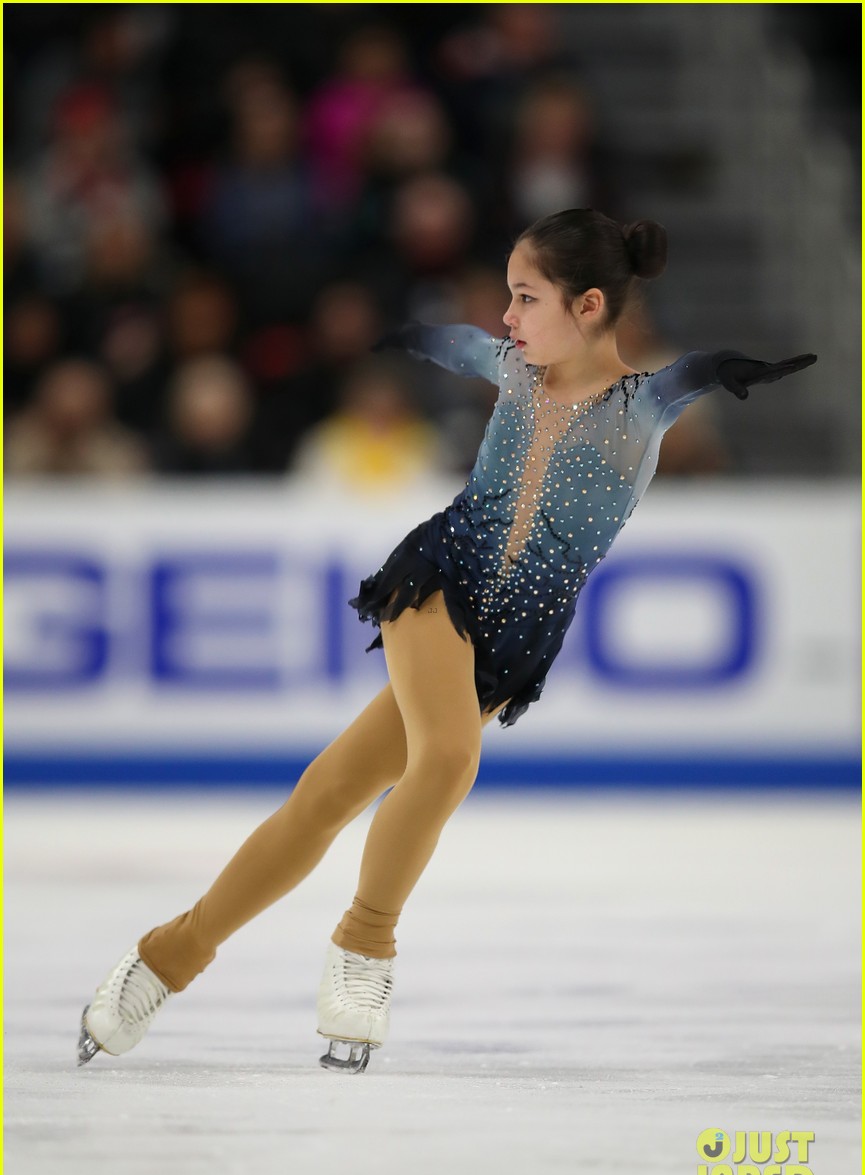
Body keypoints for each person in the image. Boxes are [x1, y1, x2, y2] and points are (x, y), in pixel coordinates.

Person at [77, 207, 816, 1073]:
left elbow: (685, 375)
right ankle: (366, 947)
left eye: (523, 296)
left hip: (512, 642)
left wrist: (725, 368)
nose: (506, 316)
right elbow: (456, 342)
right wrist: (394, 333)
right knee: (449, 759)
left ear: (585, 307)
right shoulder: (513, 368)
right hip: (439, 581)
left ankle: (166, 955)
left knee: (325, 797)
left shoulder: (640, 407)